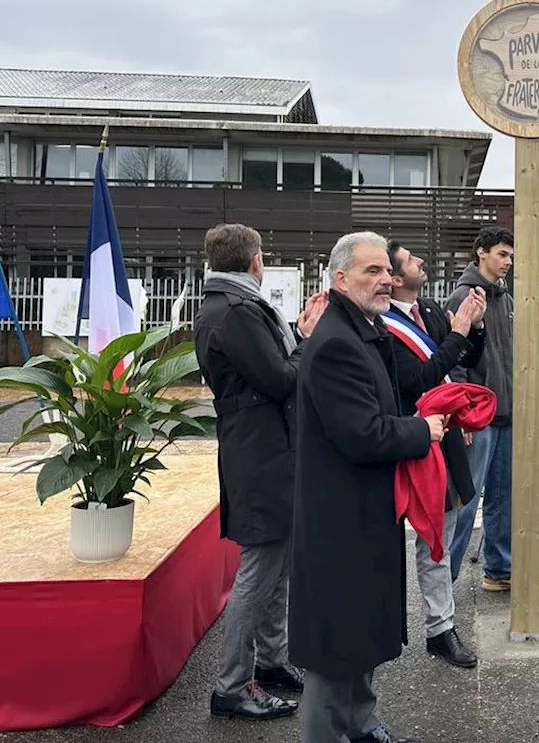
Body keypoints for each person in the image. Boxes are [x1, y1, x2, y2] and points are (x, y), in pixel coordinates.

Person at [289, 231, 447, 743]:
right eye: (372, 272)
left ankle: (360, 723)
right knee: (336, 646)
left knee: (360, 633)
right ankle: (326, 734)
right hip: (340, 519)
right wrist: (422, 431)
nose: (386, 280)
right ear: (341, 279)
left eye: (387, 271)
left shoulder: (362, 329)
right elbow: (363, 433)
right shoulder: (337, 341)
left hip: (362, 511)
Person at [195, 224, 327, 721]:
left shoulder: (227, 307)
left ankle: (271, 663)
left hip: (261, 446)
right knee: (259, 569)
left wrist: (293, 333)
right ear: (255, 262)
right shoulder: (235, 311)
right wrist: (306, 339)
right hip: (262, 450)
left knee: (277, 564)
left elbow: (265, 366)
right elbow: (280, 378)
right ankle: (231, 685)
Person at [384, 241, 486, 669]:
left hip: (441, 438)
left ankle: (440, 629)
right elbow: (419, 378)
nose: (421, 262)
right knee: (389, 545)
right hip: (402, 439)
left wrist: (473, 331)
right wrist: (459, 333)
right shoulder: (382, 325)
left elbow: (460, 361)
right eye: (411, 260)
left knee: (437, 540)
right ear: (392, 275)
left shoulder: (427, 311)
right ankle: (381, 633)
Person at [447, 226, 515, 591]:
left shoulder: (506, 299)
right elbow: (453, 361)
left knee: (503, 498)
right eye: (502, 254)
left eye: (510, 256)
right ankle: (446, 578)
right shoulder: (464, 297)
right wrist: (462, 417)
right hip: (477, 420)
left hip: (505, 414)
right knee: (466, 503)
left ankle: (499, 570)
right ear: (482, 253)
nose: (507, 262)